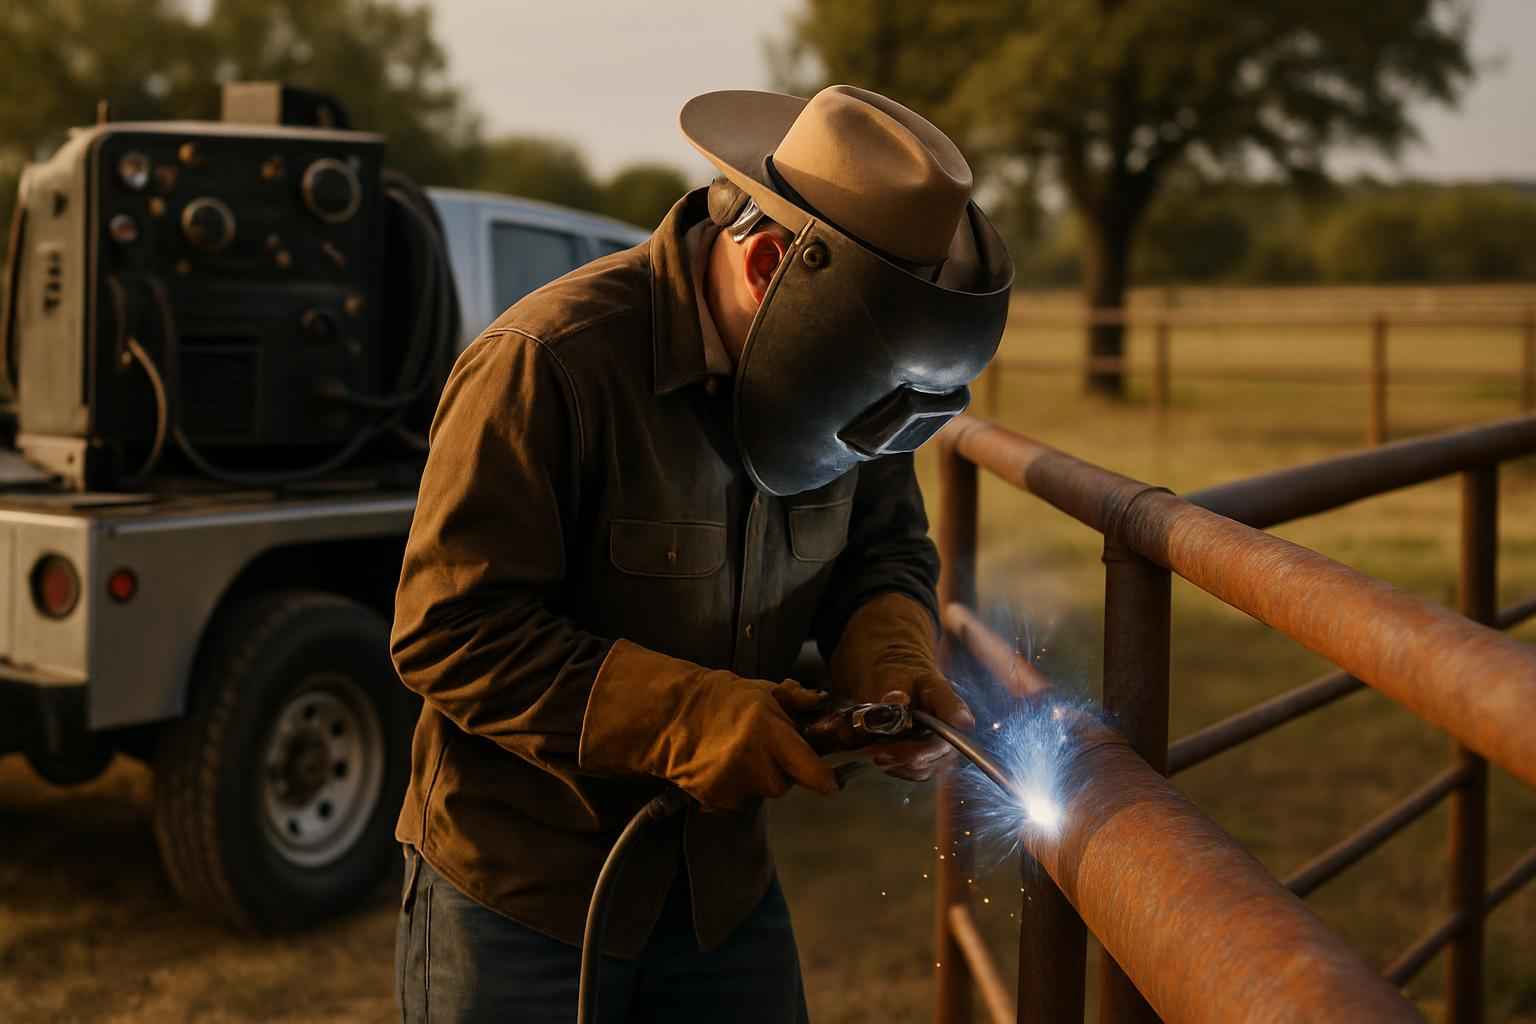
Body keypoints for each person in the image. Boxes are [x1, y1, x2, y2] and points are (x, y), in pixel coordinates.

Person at [391, 84, 1013, 1023]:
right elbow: (449, 631)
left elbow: (883, 550)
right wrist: (691, 716)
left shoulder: (852, 386)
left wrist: (891, 657)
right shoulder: (548, 363)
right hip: (524, 901)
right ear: (768, 263)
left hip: (720, 892)